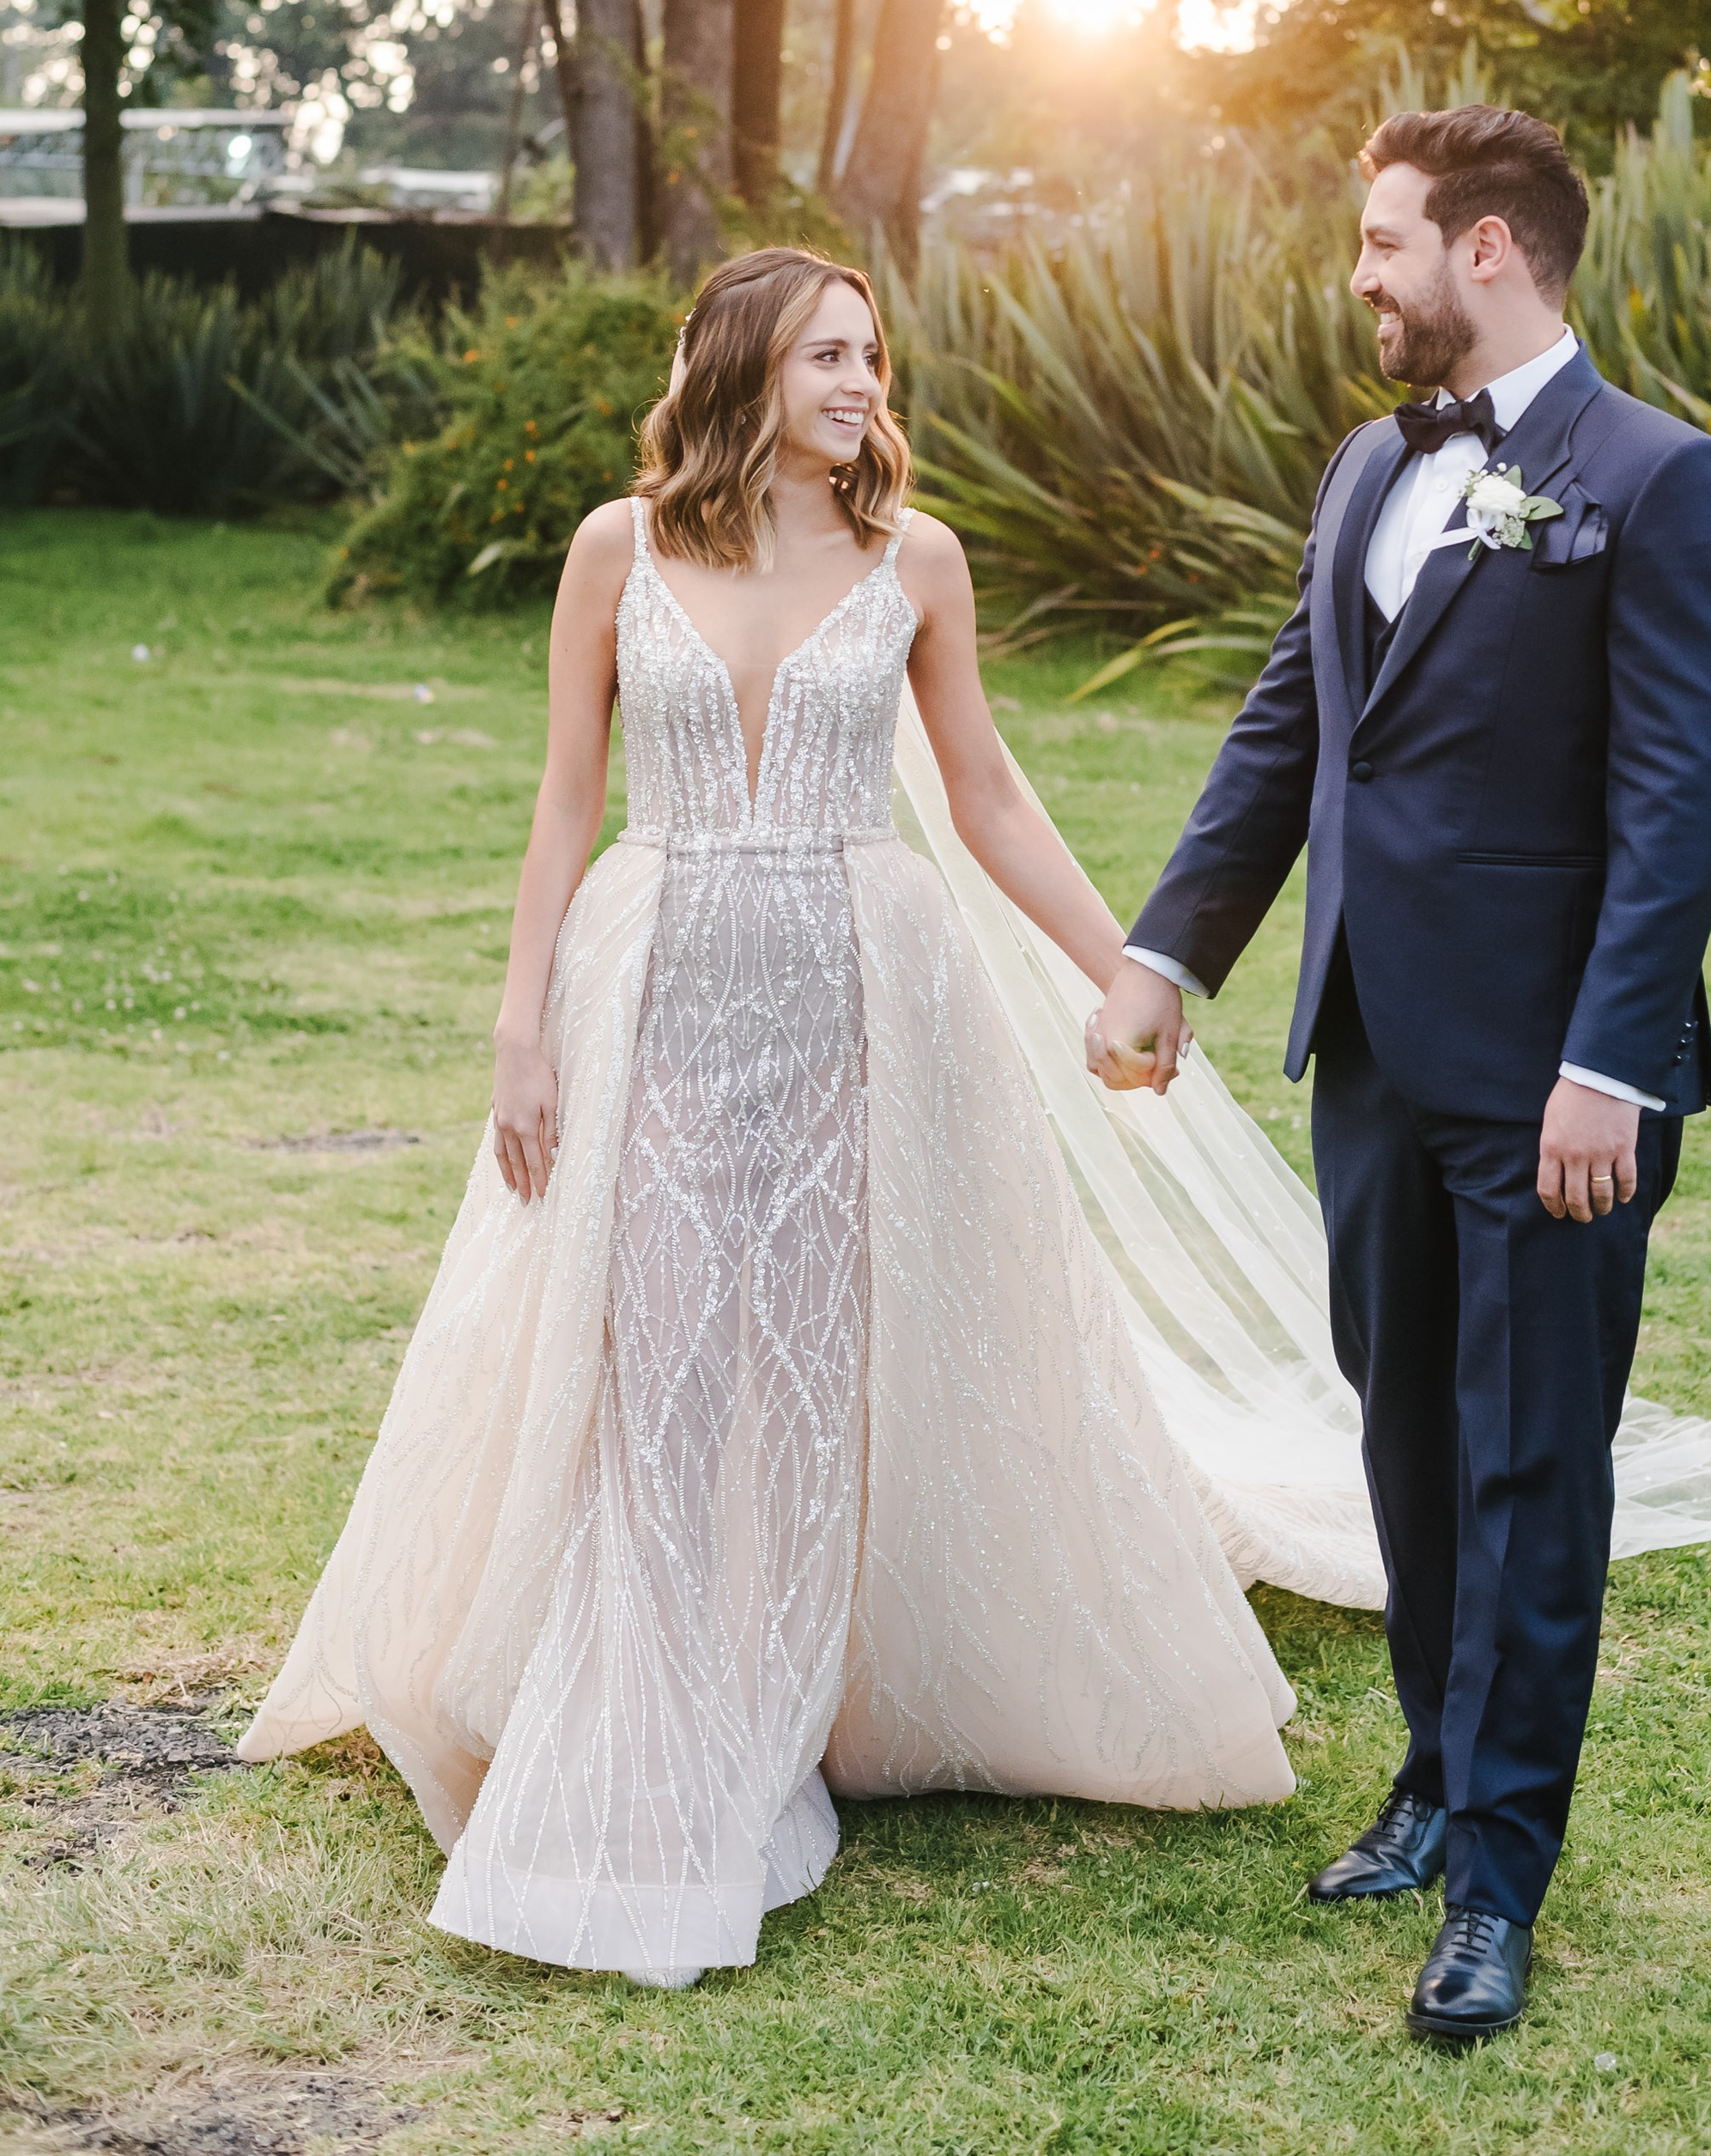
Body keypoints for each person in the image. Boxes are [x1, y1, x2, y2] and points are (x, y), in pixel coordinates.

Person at [238, 246, 1297, 1987]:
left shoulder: (915, 558)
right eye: (824, 357)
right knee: (660, 1371)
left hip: (853, 1003)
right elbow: (565, 798)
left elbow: (987, 794)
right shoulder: (615, 547)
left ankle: (778, 1701)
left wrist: (1133, 966)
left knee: (809, 1376)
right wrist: (518, 1026)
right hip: (647, 990)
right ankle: (649, 1709)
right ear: (741, 365)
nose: (859, 387)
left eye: (869, 359)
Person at [1089, 105, 1711, 2048]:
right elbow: (1289, 728)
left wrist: (1605, 1066)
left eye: (1383, 240)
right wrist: (1166, 953)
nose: (1359, 275)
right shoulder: (1363, 471)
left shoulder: (1654, 482)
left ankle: (1495, 1879)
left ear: (1485, 250)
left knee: (1530, 1459)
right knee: (1400, 1437)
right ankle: (1434, 1763)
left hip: (1555, 1082)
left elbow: (1672, 808)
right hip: (1371, 1049)